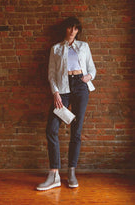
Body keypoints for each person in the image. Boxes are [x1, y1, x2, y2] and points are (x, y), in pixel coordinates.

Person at [36, 16, 96, 191]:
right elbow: (51, 74)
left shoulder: (84, 46)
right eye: (70, 28)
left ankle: (71, 171)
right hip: (62, 89)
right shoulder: (56, 48)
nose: (72, 31)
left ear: (78, 31)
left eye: (76, 29)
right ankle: (54, 173)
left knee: (76, 131)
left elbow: (92, 68)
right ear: (66, 29)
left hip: (81, 87)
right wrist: (56, 92)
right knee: (51, 129)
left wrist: (88, 77)